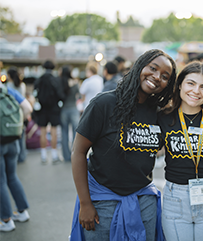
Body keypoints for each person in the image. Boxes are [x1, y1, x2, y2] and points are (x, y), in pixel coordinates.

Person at [69, 49, 177, 241]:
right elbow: (78, 152)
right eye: (153, 68)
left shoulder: (158, 113)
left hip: (143, 202)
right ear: (139, 66)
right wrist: (85, 203)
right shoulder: (104, 103)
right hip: (102, 201)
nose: (157, 77)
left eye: (165, 76)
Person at [157, 61, 203, 241]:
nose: (196, 91)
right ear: (180, 84)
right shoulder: (164, 117)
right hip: (175, 198)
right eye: (191, 83)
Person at [0, 82, 32, 232]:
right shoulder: (8, 91)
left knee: (1, 181)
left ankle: (6, 220)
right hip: (13, 139)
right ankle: (22, 212)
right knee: (12, 176)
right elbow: (28, 108)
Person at [34, 60, 65, 164]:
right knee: (54, 131)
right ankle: (54, 155)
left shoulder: (39, 79)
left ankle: (43, 156)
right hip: (54, 108)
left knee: (42, 131)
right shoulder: (56, 79)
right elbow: (60, 95)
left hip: (42, 108)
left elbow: (35, 93)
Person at [59, 66, 80, 162]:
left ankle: (66, 156)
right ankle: (74, 154)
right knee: (76, 133)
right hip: (73, 109)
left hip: (64, 109)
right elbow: (78, 95)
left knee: (64, 132)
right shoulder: (75, 83)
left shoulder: (61, 83)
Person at [7, 67, 27, 163]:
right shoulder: (22, 85)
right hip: (21, 112)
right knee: (21, 135)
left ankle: (15, 156)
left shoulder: (8, 86)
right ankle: (22, 156)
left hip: (11, 113)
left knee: (13, 136)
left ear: (9, 75)